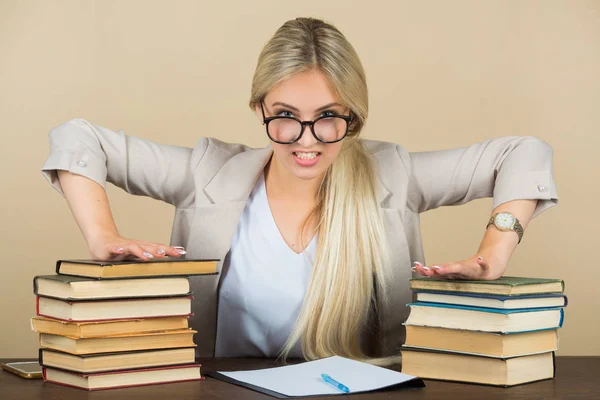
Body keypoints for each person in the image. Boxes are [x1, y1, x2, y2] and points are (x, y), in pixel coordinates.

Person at [41, 17, 558, 364]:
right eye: (286, 117)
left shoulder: (392, 174)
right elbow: (78, 138)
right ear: (260, 107)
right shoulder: (207, 173)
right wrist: (101, 236)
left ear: (354, 115)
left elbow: (523, 152)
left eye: (329, 117)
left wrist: (494, 251)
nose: (306, 141)